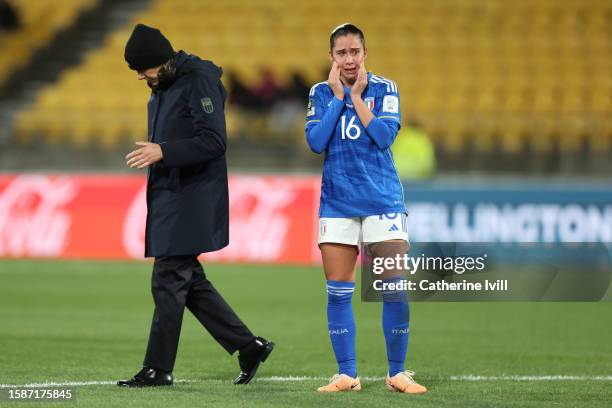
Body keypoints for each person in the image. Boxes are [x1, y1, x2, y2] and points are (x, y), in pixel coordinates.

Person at [117, 24, 274, 387]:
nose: (141, 75)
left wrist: (164, 151)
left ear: (162, 60)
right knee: (188, 281)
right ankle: (248, 346)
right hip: (172, 194)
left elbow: (214, 141)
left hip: (193, 197)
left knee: (168, 278)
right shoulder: (164, 84)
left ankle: (157, 369)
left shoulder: (198, 80)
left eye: (143, 68)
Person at [305, 23, 427, 394]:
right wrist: (340, 97)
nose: (349, 59)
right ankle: (347, 374)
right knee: (338, 292)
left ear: (365, 54)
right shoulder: (320, 93)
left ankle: (397, 373)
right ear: (331, 57)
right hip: (338, 204)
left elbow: (385, 136)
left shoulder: (385, 89)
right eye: (341, 53)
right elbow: (315, 141)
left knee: (394, 289)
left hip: (383, 202)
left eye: (354, 52)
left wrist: (356, 97)